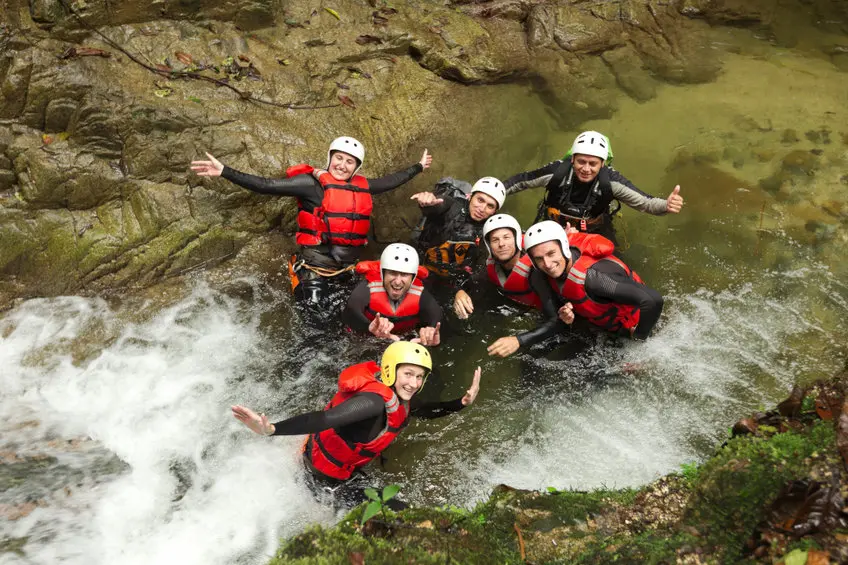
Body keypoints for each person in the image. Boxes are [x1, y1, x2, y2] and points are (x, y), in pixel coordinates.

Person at [191, 138, 432, 321]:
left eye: (350, 162)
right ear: (329, 158)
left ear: (356, 167)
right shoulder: (310, 184)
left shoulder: (363, 186)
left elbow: (392, 180)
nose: (342, 165)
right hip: (315, 268)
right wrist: (225, 171)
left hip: (347, 269)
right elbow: (266, 185)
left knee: (351, 317)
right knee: (316, 321)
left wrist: (418, 167)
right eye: (338, 158)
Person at [231, 341, 481, 509]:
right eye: (408, 374)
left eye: (419, 377)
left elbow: (424, 409)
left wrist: (461, 402)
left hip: (333, 467)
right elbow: (323, 419)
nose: (414, 383)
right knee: (408, 515)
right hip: (325, 481)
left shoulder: (398, 397)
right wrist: (271, 429)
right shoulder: (372, 403)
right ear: (391, 371)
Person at [503, 131, 684, 244]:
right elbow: (522, 181)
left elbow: (645, 202)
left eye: (593, 163)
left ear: (603, 164)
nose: (586, 169)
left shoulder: (611, 182)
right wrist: (490, 193)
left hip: (595, 230)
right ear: (572, 159)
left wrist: (666, 206)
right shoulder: (557, 173)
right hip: (554, 225)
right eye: (581, 161)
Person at [522, 220, 663, 342]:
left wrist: (639, 339)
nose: (547, 264)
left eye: (551, 253)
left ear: (565, 248)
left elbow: (653, 300)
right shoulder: (546, 272)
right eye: (539, 259)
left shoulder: (595, 278)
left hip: (641, 330)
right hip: (602, 327)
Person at [411, 177, 506, 288]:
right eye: (480, 200)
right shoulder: (453, 206)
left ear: (494, 212)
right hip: (422, 260)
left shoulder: (489, 231)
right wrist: (428, 204)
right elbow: (440, 205)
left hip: (450, 274)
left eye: (490, 206)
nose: (482, 208)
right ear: (470, 196)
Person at [344, 243, 442, 345]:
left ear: (413, 277)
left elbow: (438, 320)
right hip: (366, 340)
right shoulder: (366, 289)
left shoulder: (422, 296)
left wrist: (432, 336)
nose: (398, 282)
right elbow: (350, 313)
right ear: (383, 273)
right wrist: (369, 327)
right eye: (392, 273)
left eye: (404, 274)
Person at [453, 213, 542, 319]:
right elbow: (466, 281)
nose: (501, 244)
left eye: (506, 237)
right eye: (495, 240)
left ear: (517, 239)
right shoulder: (490, 267)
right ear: (489, 246)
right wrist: (459, 292)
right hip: (508, 306)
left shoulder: (538, 268)